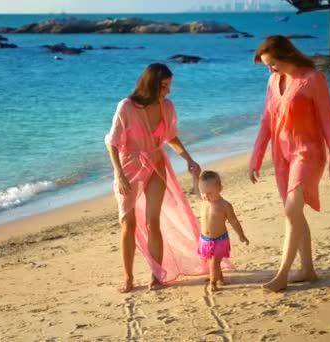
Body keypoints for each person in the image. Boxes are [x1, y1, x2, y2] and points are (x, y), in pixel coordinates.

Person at [105, 63, 212, 293]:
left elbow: (171, 138)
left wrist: (189, 159)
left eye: (169, 86)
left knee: (153, 222)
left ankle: (157, 274)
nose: (168, 91)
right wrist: (119, 174)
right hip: (128, 165)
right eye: (164, 86)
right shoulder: (126, 106)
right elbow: (111, 142)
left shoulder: (167, 107)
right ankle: (128, 276)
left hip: (156, 163)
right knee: (128, 223)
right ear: (151, 84)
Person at [250, 35, 330, 292]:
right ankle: (307, 270)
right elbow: (266, 121)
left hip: (308, 153)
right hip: (281, 156)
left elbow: (328, 121)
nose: (270, 69)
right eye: (268, 65)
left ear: (287, 56)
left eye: (273, 64)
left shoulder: (313, 79)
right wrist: (255, 157)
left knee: (291, 211)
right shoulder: (273, 81)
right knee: (295, 213)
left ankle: (281, 275)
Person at [194, 170, 249, 292]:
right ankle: (220, 278)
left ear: (220, 188)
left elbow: (233, 221)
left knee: (214, 262)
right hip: (205, 239)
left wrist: (241, 235)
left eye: (209, 193)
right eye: (203, 193)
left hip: (220, 240)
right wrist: (194, 175)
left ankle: (213, 283)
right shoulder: (204, 201)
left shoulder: (224, 205)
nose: (206, 196)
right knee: (210, 260)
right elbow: (196, 188)